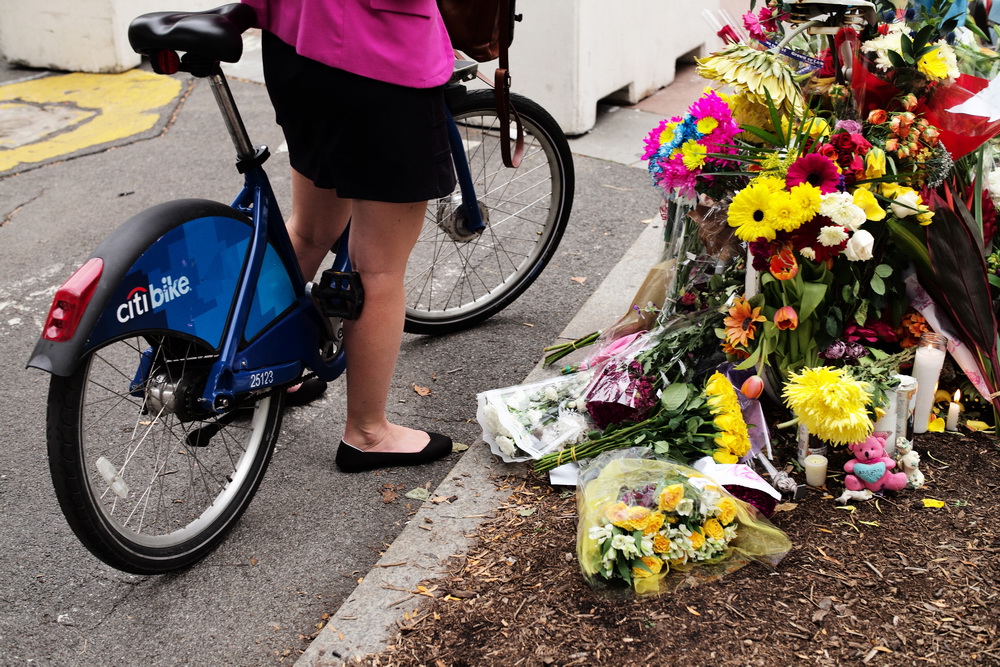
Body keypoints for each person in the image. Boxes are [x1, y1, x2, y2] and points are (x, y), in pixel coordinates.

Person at [241, 0, 456, 473]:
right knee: (377, 267)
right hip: (380, 59)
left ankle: (247, 368)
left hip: (293, 44)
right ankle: (368, 432)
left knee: (310, 229)